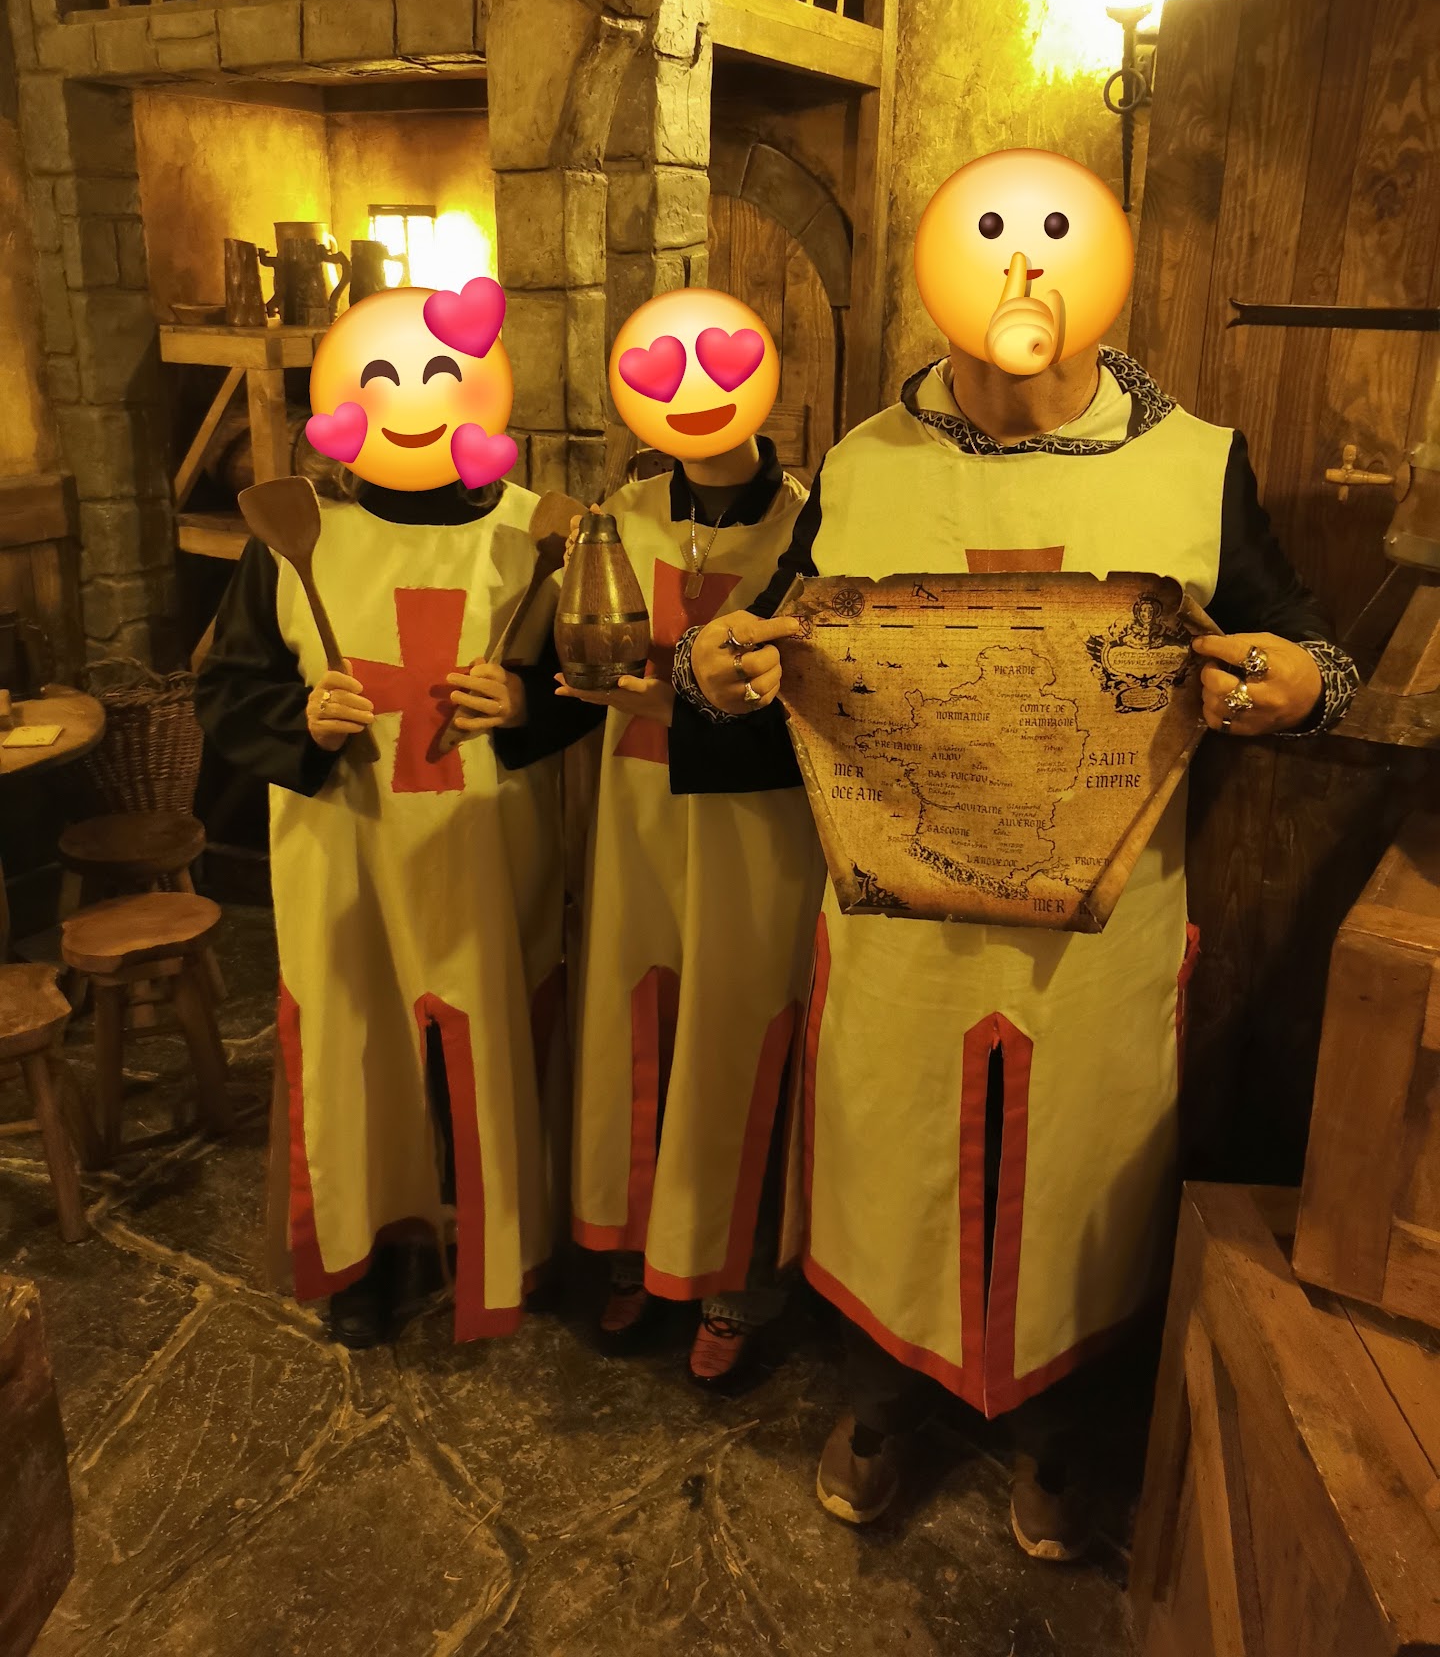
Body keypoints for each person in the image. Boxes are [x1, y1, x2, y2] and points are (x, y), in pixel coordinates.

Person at [673, 150, 1358, 1552]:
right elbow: (781, 642)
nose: (1023, 267)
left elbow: (1306, 644)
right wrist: (716, 670)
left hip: (1097, 931)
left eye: (1054, 237)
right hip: (898, 920)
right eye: (989, 236)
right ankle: (884, 1402)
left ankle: (1064, 1436)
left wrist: (1299, 683)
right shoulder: (863, 463)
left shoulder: (1196, 464)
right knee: (889, 1157)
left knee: (1082, 1182)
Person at [195, 284, 575, 1349]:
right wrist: (302, 719)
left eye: (440, 373)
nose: (415, 398)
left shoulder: (535, 535)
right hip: (346, 847)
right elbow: (227, 689)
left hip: (483, 851)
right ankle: (366, 1252)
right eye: (385, 376)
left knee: (488, 1039)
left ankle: (504, 1241)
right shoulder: (297, 537)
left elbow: (587, 683)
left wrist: (525, 704)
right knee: (357, 1049)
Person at [555, 289, 825, 1386]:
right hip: (635, 816)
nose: (695, 398)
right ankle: (633, 1248)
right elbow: (570, 649)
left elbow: (820, 684)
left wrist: (679, 698)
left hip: (754, 825)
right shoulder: (617, 516)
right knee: (636, 1023)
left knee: (734, 1033)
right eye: (662, 377)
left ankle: (732, 1279)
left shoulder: (810, 526)